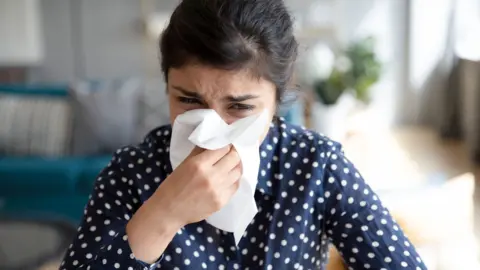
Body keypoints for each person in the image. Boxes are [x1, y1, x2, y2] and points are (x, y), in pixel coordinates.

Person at [61, 0, 427, 269]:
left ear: (277, 98)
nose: (209, 130)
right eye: (189, 99)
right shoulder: (132, 174)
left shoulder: (317, 166)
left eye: (239, 107)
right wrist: (164, 213)